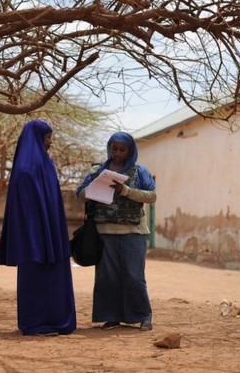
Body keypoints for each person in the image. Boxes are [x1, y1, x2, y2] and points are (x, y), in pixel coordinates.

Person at [0, 119, 77, 336]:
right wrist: (36, 239)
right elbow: (28, 210)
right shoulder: (25, 170)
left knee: (53, 277)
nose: (50, 142)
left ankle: (56, 321)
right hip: (34, 238)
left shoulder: (44, 163)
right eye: (47, 138)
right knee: (35, 277)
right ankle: (35, 324)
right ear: (37, 138)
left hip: (50, 232)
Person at [76, 131, 156, 331]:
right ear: (109, 148)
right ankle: (110, 316)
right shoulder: (97, 171)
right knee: (107, 277)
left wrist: (125, 191)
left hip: (133, 231)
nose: (118, 153)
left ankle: (143, 315)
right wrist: (94, 188)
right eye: (114, 149)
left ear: (130, 150)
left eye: (122, 149)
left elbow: (151, 196)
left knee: (134, 276)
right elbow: (81, 193)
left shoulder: (140, 172)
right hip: (104, 231)